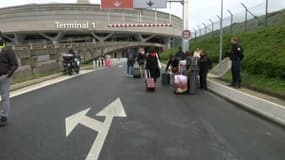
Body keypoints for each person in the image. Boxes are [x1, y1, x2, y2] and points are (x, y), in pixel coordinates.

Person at [0, 31, 19, 127]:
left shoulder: (7, 49)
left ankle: (3, 117)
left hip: (3, 78)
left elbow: (15, 64)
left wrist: (7, 74)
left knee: (4, 98)